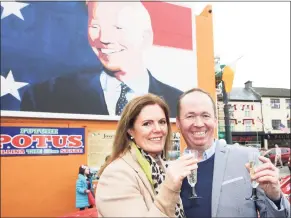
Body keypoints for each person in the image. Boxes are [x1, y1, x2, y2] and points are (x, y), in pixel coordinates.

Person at [20, 1, 182, 118]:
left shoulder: (178, 103)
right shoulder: (45, 96)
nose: (104, 38)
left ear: (145, 37)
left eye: (118, 27)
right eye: (95, 27)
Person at [176, 88, 290, 218]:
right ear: (178, 123)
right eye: (190, 116)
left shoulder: (247, 158)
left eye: (205, 115)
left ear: (214, 120)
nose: (199, 123)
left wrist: (274, 197)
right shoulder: (171, 173)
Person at [95, 93, 197, 217]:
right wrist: (170, 187)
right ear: (130, 130)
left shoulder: (161, 166)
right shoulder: (116, 176)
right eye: (147, 123)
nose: (158, 129)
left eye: (162, 122)